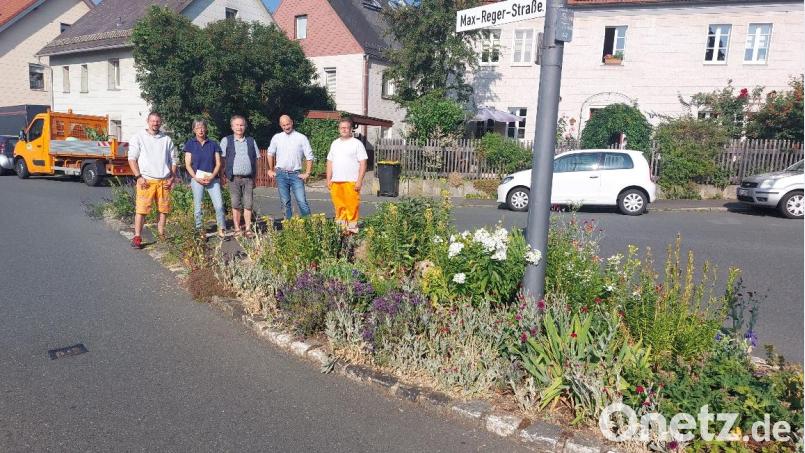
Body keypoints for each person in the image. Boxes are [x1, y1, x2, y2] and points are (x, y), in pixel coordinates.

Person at [128, 111, 178, 249]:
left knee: (163, 210)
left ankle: (161, 235)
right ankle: (137, 237)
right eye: (153, 121)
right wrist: (138, 177)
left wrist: (172, 177)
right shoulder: (138, 137)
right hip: (146, 181)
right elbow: (132, 158)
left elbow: (174, 160)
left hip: (163, 181)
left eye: (157, 121)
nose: (155, 123)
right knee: (141, 210)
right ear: (147, 121)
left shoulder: (166, 139)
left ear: (160, 122)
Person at [184, 118, 227, 240]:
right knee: (198, 207)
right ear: (194, 130)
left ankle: (221, 228)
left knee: (219, 205)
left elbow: (218, 163)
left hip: (212, 179)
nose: (200, 130)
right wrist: (196, 178)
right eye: (197, 128)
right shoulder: (190, 144)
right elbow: (187, 164)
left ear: (206, 129)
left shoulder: (213, 144)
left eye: (202, 127)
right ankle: (200, 231)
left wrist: (212, 176)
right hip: (197, 180)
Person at [267, 115, 314, 219]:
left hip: (296, 174)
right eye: (283, 125)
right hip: (281, 174)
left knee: (302, 201)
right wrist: (270, 169)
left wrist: (307, 173)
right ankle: (288, 227)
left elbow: (309, 156)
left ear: (292, 122)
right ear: (280, 125)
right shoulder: (277, 137)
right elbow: (270, 153)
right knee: (285, 202)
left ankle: (310, 226)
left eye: (287, 124)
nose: (286, 127)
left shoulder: (301, 137)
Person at [220, 115, 260, 237]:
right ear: (232, 127)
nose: (239, 127)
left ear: (245, 126)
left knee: (248, 204)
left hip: (248, 179)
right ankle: (237, 229)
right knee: (235, 204)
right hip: (233, 179)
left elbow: (256, 160)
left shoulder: (251, 141)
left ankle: (248, 229)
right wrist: (222, 176)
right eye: (236, 125)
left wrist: (255, 178)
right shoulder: (226, 140)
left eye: (241, 125)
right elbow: (221, 160)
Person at [326, 119, 368, 234]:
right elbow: (330, 161)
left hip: (351, 181)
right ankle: (340, 229)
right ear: (339, 129)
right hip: (336, 181)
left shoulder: (357, 144)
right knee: (339, 206)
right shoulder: (334, 143)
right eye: (342, 128)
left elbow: (363, 163)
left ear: (351, 129)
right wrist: (328, 179)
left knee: (352, 206)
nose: (344, 129)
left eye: (346, 127)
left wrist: (359, 180)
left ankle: (352, 230)